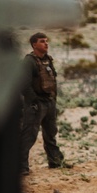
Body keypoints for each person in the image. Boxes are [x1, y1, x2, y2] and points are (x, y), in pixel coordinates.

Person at [20, 31, 65, 172]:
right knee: (29, 136)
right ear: (34, 45)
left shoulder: (47, 60)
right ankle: (21, 167)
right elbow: (23, 85)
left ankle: (55, 162)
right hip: (36, 104)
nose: (46, 43)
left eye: (46, 41)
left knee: (51, 133)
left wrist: (53, 100)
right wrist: (34, 101)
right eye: (42, 41)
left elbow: (53, 81)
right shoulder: (29, 61)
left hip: (49, 102)